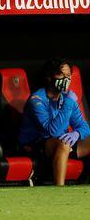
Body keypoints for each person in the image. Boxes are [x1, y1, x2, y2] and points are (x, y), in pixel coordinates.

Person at [19, 58, 90, 186]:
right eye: (61, 75)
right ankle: (59, 189)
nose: (66, 80)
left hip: (61, 142)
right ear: (49, 77)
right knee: (63, 143)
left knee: (69, 142)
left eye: (68, 76)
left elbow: (84, 126)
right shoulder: (37, 100)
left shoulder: (65, 98)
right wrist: (68, 103)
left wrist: (76, 134)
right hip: (37, 145)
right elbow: (52, 131)